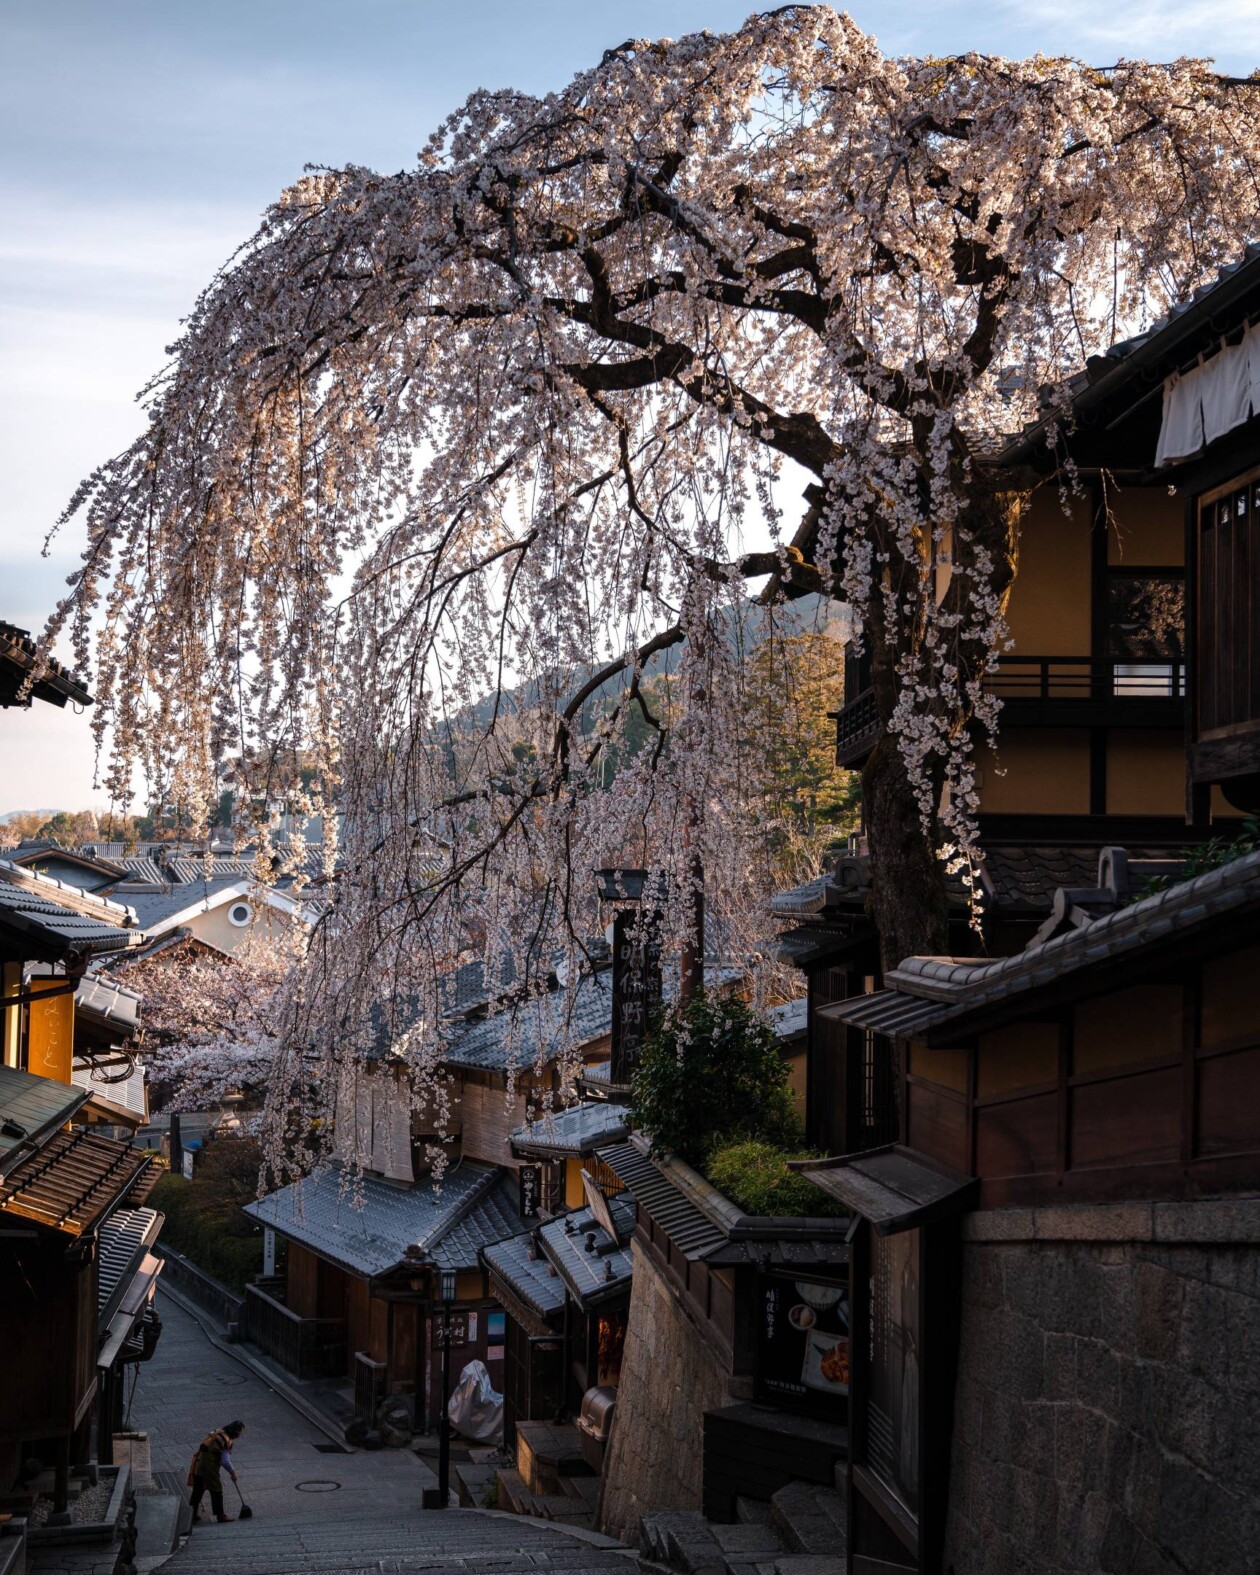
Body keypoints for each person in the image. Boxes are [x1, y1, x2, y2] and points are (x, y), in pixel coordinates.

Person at [189, 1420, 244, 1523]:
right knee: (216, 1489)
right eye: (239, 1432)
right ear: (235, 1431)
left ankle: (191, 1515)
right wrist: (233, 1472)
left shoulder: (218, 1432)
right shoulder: (226, 1439)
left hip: (198, 1463)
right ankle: (220, 1515)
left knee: (198, 1490)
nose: (240, 1435)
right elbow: (225, 1461)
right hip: (209, 1466)